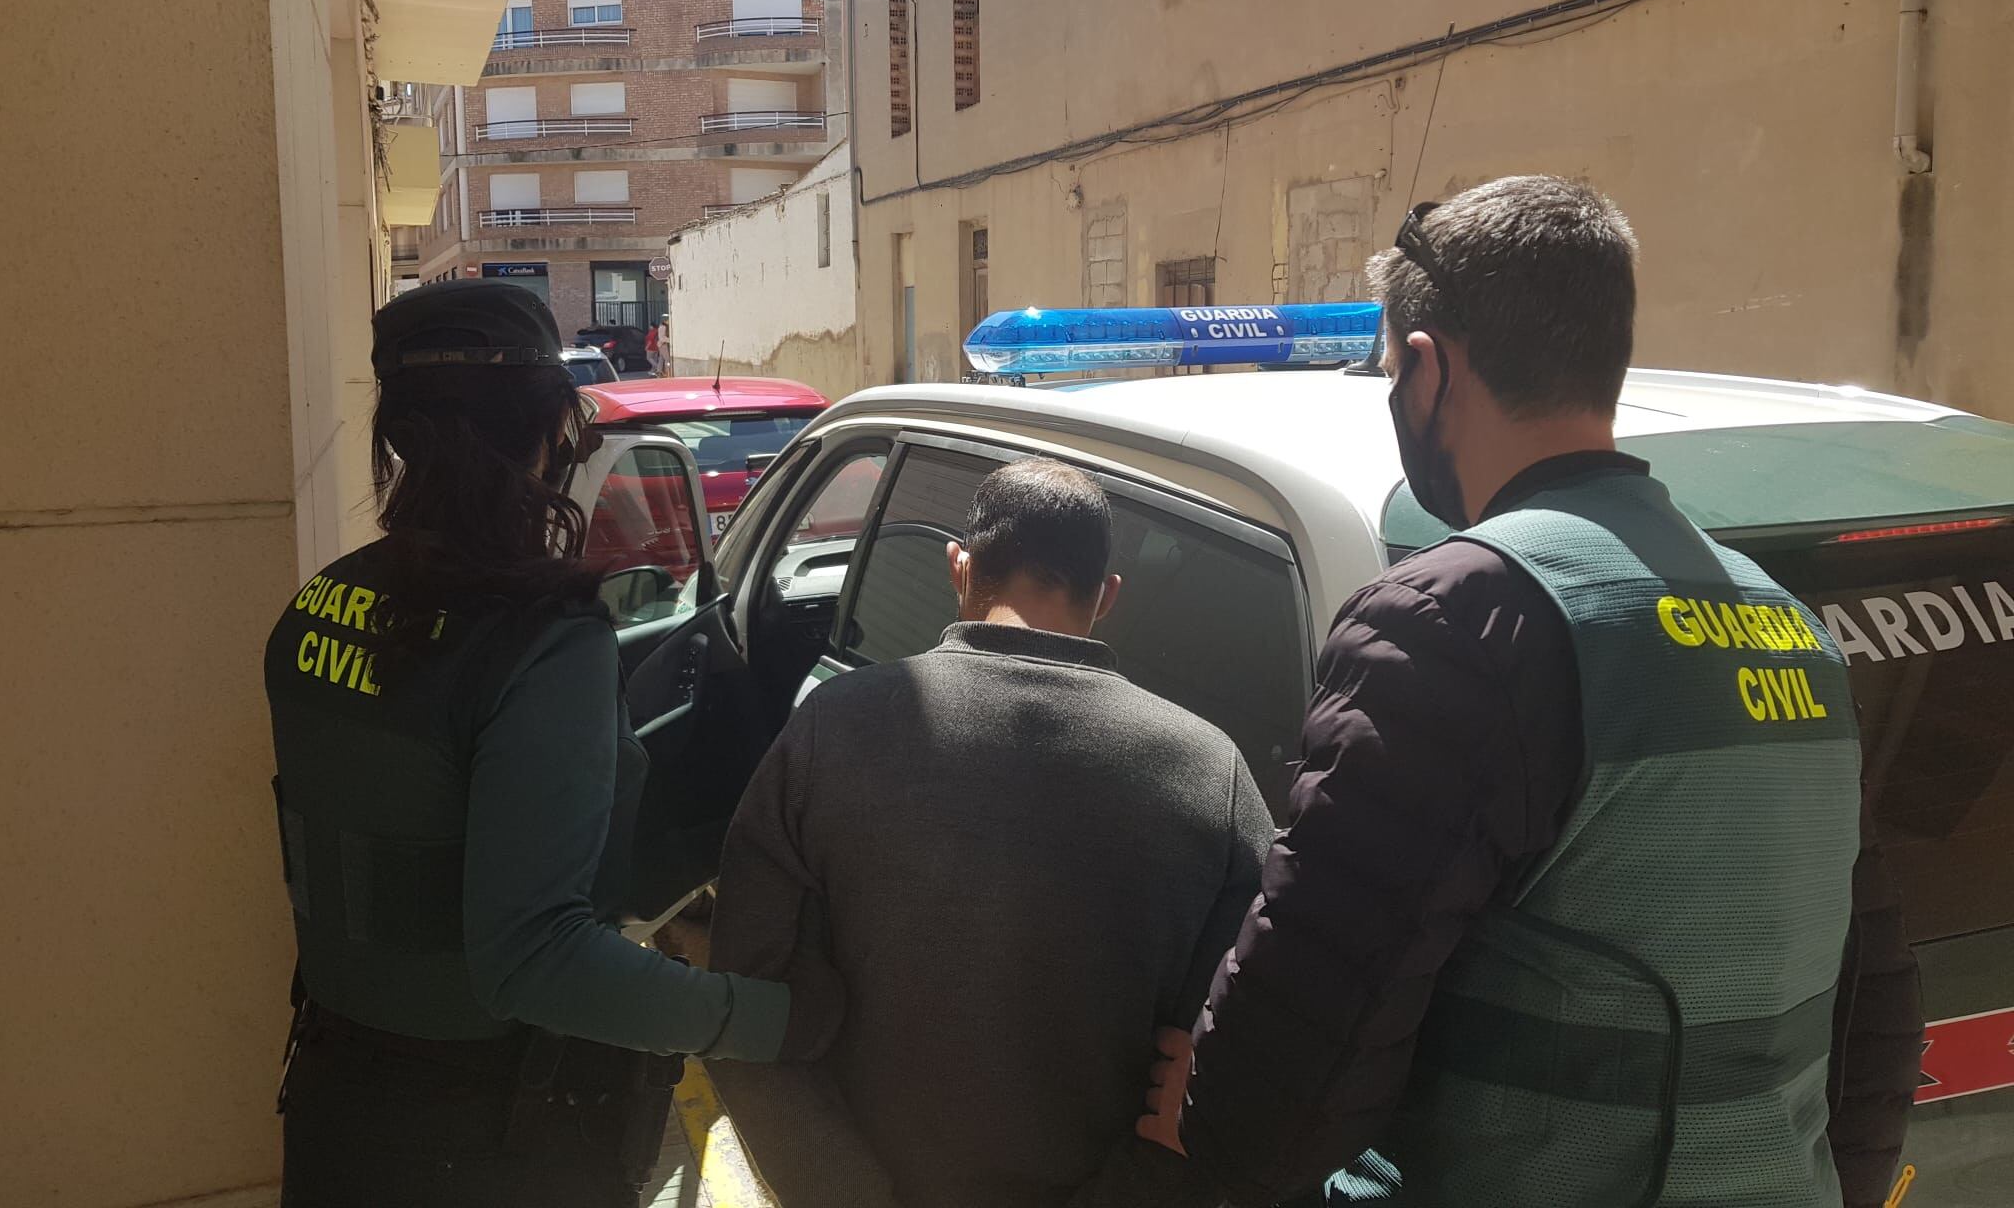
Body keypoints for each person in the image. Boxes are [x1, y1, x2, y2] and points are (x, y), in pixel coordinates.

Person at [1140, 177, 1923, 1208]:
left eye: (1390, 374)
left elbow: (1313, 1024)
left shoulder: (1454, 619)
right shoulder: (1791, 626)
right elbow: (1874, 1011)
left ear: (1426, 372)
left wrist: (1211, 1123)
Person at [264, 279, 830, 1208]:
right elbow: (535, 958)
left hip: (339, 1107)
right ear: (553, 434)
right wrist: (776, 1019)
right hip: (494, 1138)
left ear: (396, 434)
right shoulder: (540, 644)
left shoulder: (315, 606)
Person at [708, 458, 1272, 1208]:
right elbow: (1239, 1048)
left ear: (958, 567)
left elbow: (746, 1009)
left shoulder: (833, 729)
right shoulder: (1214, 772)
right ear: (1106, 598)